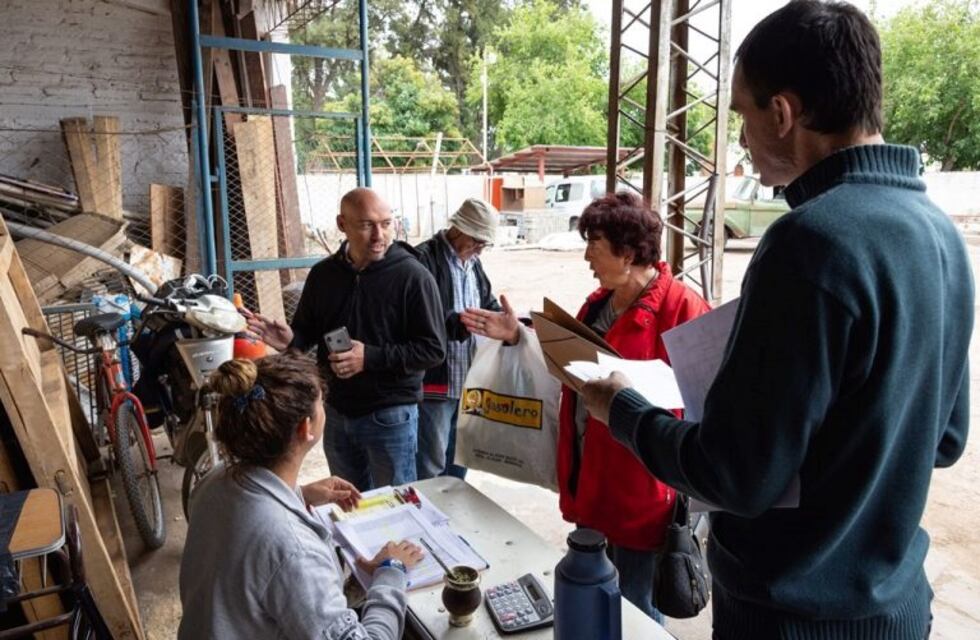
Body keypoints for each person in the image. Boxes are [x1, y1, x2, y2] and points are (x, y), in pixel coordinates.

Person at [581, 2, 973, 639]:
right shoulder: (941, 236)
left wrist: (621, 409)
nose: (741, 139)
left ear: (784, 113)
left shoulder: (811, 242)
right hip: (897, 605)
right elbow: (945, 439)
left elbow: (737, 476)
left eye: (741, 115)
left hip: (794, 618)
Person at [178, 352, 424, 639]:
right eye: (322, 403)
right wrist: (391, 573)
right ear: (306, 428)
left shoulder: (214, 480)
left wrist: (301, 494)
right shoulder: (292, 548)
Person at [552, 191, 710, 623]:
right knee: (596, 605)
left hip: (643, 494)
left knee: (637, 614)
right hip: (593, 483)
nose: (586, 256)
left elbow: (709, 404)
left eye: (594, 244)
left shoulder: (683, 308)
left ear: (626, 252)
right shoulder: (598, 303)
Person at [246, 188, 446, 491]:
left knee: (392, 505)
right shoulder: (323, 275)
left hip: (390, 416)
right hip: (336, 413)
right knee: (347, 501)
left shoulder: (413, 277)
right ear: (342, 224)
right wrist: (289, 340)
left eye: (386, 223)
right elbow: (306, 333)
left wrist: (370, 357)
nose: (379, 235)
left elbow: (433, 349)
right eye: (367, 225)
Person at [414, 198, 520, 480]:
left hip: (469, 381)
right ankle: (429, 519)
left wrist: (501, 320)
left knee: (461, 458)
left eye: (484, 243)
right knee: (430, 464)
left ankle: (453, 518)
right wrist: (459, 324)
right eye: (477, 241)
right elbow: (418, 317)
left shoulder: (473, 264)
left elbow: (486, 302)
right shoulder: (423, 259)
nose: (480, 248)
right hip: (436, 383)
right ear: (458, 228)